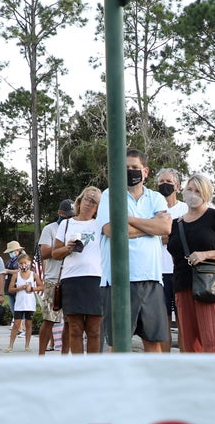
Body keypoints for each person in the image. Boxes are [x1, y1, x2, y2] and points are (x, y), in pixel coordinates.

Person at [97, 150, 172, 352]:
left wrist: (126, 219)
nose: (130, 172)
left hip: (151, 279)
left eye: (135, 168)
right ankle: (120, 383)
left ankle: (152, 384)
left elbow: (165, 228)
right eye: (126, 168)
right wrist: (150, 227)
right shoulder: (109, 195)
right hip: (118, 281)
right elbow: (111, 229)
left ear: (145, 171)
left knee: (153, 342)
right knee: (119, 344)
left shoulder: (156, 198)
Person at [169, 173, 215, 353]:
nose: (192, 194)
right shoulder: (176, 224)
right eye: (189, 189)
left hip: (210, 286)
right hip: (182, 286)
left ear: (206, 193)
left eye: (198, 190)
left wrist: (205, 254)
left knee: (214, 342)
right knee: (190, 344)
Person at [53, 186, 105, 353]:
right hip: (72, 280)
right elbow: (55, 253)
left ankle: (92, 370)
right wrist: (68, 248)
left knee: (94, 330)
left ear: (99, 207)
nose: (89, 204)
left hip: (96, 279)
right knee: (74, 329)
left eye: (95, 202)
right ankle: (78, 370)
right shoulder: (67, 224)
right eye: (87, 199)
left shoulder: (102, 225)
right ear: (79, 201)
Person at [36, 200, 73, 355]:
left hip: (70, 278)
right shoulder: (50, 229)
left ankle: (64, 355)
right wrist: (64, 248)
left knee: (70, 322)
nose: (68, 218)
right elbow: (43, 253)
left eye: (71, 215)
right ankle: (41, 355)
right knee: (49, 319)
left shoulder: (75, 228)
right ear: (59, 213)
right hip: (53, 280)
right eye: (66, 215)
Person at [156, 168, 189, 340]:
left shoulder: (185, 209)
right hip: (158, 273)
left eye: (168, 182)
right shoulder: (152, 208)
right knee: (163, 324)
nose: (164, 185)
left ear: (177, 185)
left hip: (180, 272)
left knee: (184, 323)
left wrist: (164, 235)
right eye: (161, 182)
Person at [7, 252, 39, 352]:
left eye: (25, 263)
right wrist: (20, 288)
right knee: (16, 324)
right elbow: (10, 289)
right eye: (21, 263)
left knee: (29, 324)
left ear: (29, 262)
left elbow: (41, 286)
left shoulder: (33, 275)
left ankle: (27, 345)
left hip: (30, 304)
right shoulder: (16, 275)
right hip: (19, 304)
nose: (23, 265)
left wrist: (32, 288)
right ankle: (10, 345)